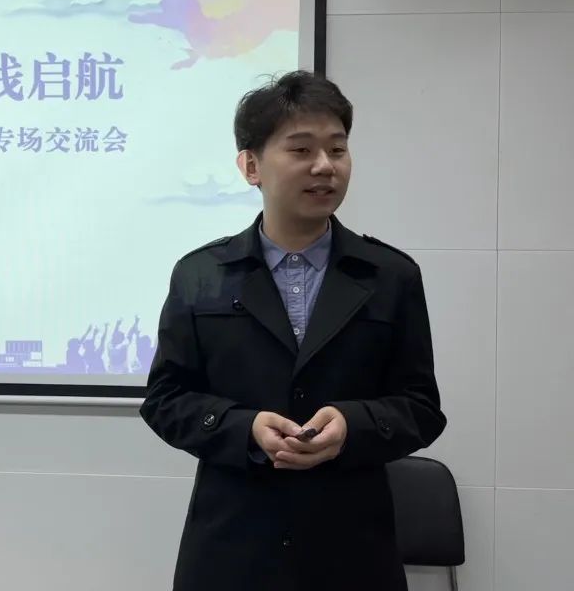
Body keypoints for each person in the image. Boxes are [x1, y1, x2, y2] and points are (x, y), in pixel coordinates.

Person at [140, 71, 446, 591]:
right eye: (302, 149)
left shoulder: (390, 276)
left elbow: (420, 407)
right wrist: (244, 428)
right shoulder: (201, 274)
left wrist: (352, 425)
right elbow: (166, 400)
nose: (325, 166)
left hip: (352, 553)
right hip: (232, 551)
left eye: (337, 149)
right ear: (251, 166)